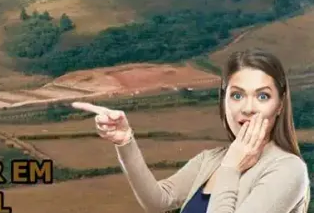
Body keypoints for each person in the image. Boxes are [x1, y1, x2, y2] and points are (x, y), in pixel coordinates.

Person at [72, 49, 310, 213]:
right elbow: (158, 200)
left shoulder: (287, 169)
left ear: (279, 105)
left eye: (262, 96)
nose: (248, 108)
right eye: (237, 95)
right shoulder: (210, 159)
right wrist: (125, 140)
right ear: (223, 101)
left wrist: (231, 168)